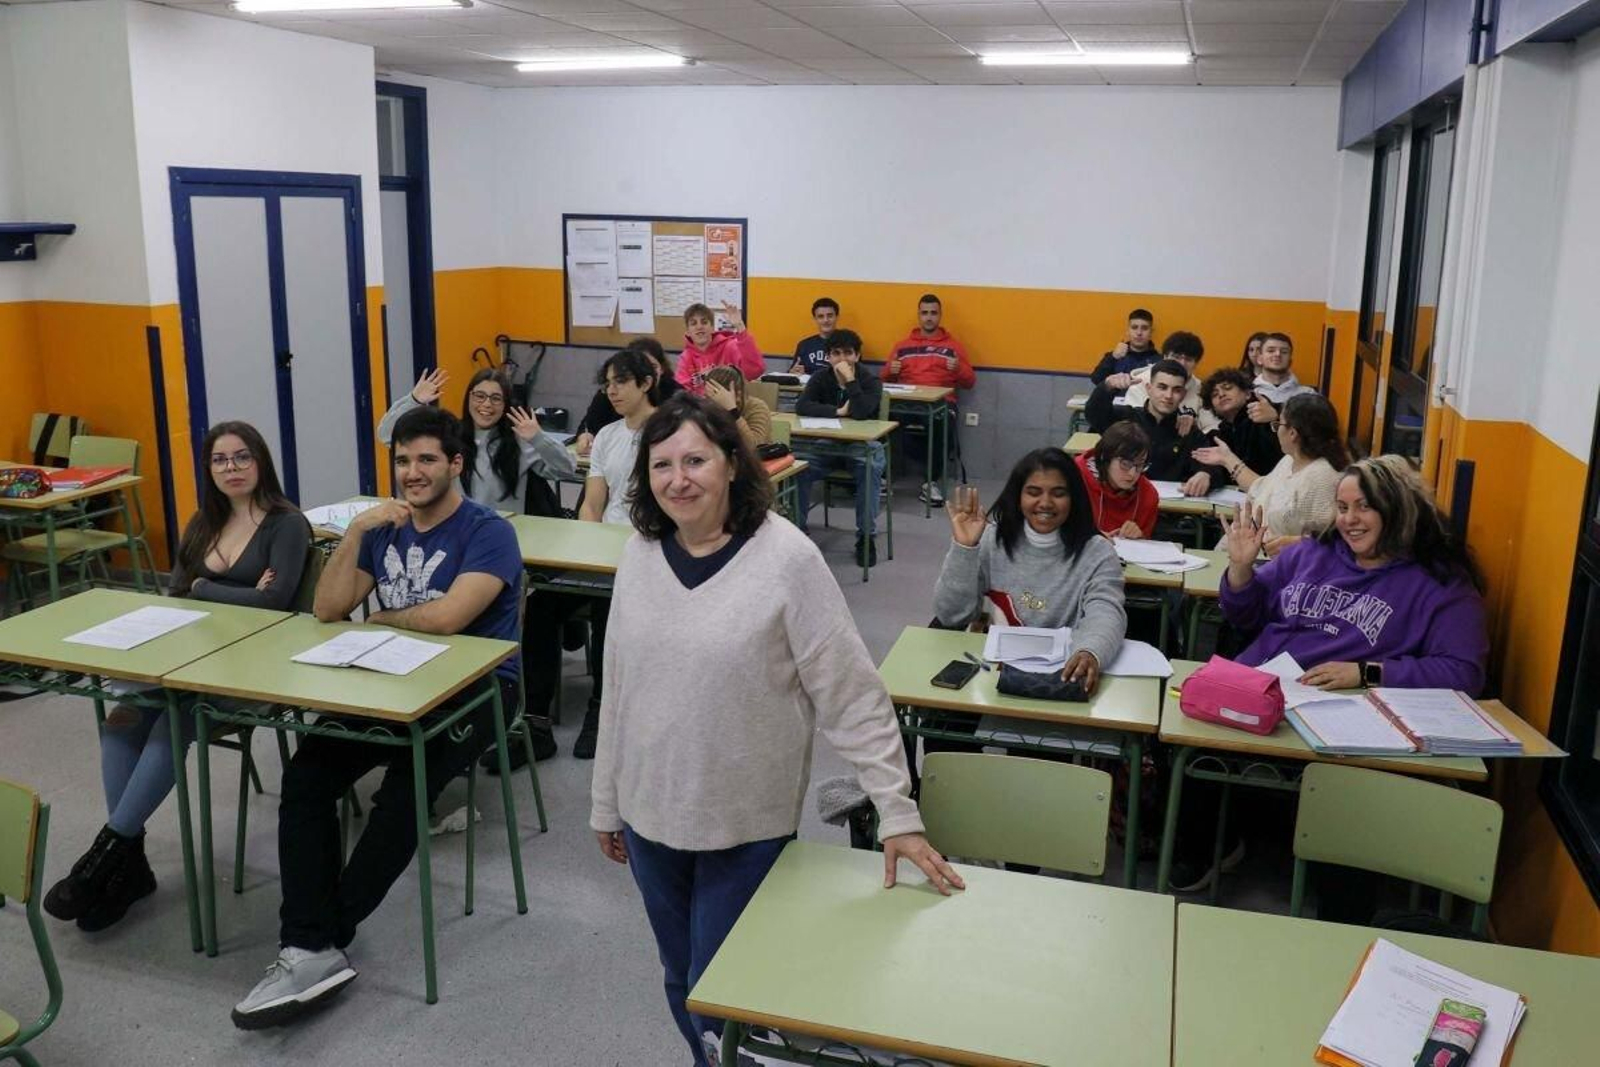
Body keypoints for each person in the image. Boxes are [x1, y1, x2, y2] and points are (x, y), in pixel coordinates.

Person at [591, 394, 961, 1067]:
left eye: (696, 460)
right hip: (650, 818)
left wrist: (897, 811)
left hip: (746, 824)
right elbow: (618, 687)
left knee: (723, 992)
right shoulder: (640, 555)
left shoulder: (785, 557)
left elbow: (851, 692)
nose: (678, 479)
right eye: (662, 464)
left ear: (732, 463)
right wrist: (605, 803)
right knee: (681, 979)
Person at [232, 406, 523, 1030]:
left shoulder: (488, 531)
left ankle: (320, 936)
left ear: (456, 464)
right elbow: (328, 608)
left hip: (479, 689)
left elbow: (448, 618)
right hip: (390, 681)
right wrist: (358, 531)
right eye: (403, 460)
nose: (412, 472)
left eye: (427, 459)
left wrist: (384, 619)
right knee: (307, 777)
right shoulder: (384, 528)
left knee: (403, 791)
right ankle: (309, 945)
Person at [43, 422, 311, 933]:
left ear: (261, 461)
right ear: (208, 469)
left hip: (251, 669)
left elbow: (274, 603)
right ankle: (129, 866)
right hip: (189, 656)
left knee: (173, 723)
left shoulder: (286, 524)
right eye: (220, 460)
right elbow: (177, 594)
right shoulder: (203, 522)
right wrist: (233, 591)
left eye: (242, 457)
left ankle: (106, 857)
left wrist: (207, 587)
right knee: (121, 721)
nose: (231, 468)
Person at [1220, 455, 1488, 692]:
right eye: (1342, 507)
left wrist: (1367, 673)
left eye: (1364, 506)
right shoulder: (1311, 553)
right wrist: (1240, 569)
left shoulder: (1441, 584)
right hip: (1251, 685)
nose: (1349, 519)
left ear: (1398, 512)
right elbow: (1244, 617)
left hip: (1325, 712)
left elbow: (1464, 673)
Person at [520, 348, 663, 764]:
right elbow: (592, 502)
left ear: (646, 383)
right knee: (541, 605)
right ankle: (534, 722)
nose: (611, 391)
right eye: (608, 384)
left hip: (648, 553)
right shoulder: (608, 436)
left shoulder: (668, 433)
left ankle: (601, 710)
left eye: (621, 382)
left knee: (606, 609)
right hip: (604, 551)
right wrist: (589, 547)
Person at [934, 448, 1126, 675]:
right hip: (994, 673)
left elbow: (1105, 612)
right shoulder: (991, 539)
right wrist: (964, 548)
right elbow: (951, 616)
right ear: (1018, 497)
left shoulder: (1098, 553)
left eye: (1058, 493)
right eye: (1033, 492)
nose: (1045, 503)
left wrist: (1090, 651)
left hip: (1064, 675)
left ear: (1074, 498)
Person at [379, 366, 576, 512]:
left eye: (496, 398)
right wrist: (413, 400)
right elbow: (387, 434)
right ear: (469, 398)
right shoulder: (447, 433)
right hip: (452, 532)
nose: (486, 404)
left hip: (500, 535)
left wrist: (538, 438)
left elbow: (566, 469)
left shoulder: (519, 441)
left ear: (506, 404)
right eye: (479, 396)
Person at [1196, 393, 1348, 555]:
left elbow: (1332, 541)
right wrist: (1227, 459)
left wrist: (1297, 543)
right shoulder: (1289, 461)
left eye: (1278, 425)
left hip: (1284, 564)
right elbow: (1260, 487)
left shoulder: (1324, 478)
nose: (1276, 431)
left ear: (1292, 433)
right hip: (1251, 555)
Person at [794, 329, 886, 567]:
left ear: (858, 355)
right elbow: (802, 406)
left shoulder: (870, 381)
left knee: (870, 469)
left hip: (861, 446)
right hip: (826, 445)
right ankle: (796, 531)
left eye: (848, 353)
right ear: (828, 357)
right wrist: (837, 412)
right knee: (797, 468)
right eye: (836, 353)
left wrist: (851, 382)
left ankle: (866, 537)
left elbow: (863, 411)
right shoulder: (820, 378)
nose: (842, 359)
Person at [884, 293, 975, 506]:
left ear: (940, 315)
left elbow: (970, 382)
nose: (929, 317)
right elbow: (884, 378)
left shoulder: (954, 347)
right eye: (924, 313)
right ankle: (882, 477)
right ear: (918, 315)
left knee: (942, 424)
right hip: (906, 402)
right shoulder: (902, 346)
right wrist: (890, 370)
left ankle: (931, 482)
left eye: (933, 313)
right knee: (882, 421)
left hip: (941, 402)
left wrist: (958, 368)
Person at [1102, 359, 1224, 494]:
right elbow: (1094, 413)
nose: (1168, 396)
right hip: (1124, 500)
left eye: (1176, 390)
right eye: (1162, 387)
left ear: (1183, 395)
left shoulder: (1188, 430)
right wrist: (1107, 387)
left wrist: (1206, 474)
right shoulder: (1126, 418)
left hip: (1171, 505)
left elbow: (1214, 465)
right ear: (1149, 389)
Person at [574, 337, 682, 455]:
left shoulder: (677, 396)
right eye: (639, 368)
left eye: (653, 366)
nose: (611, 391)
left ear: (662, 368)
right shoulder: (609, 393)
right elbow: (589, 425)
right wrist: (584, 437)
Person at [1108, 330, 1218, 434]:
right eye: (1176, 357)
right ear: (1165, 357)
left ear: (1196, 364)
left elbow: (1211, 426)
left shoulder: (1201, 389)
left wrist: (1194, 426)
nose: (1182, 364)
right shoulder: (1141, 381)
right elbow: (1131, 422)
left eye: (1188, 359)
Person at [1076, 422, 1159, 539]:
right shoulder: (1075, 478)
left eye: (1140, 465)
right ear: (1105, 457)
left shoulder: (1148, 496)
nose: (1132, 474)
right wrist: (1090, 536)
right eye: (1125, 464)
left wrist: (1140, 537)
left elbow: (1146, 545)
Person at [1199, 367, 1282, 481]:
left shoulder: (1266, 418)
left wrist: (1276, 419)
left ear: (1247, 394)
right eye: (1214, 394)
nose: (1221, 394)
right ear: (1213, 407)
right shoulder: (1218, 435)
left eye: (1227, 388)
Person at [675, 302, 763, 393]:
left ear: (712, 328)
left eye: (704, 322)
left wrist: (740, 326)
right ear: (688, 332)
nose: (699, 327)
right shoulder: (686, 357)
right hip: (698, 402)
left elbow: (754, 372)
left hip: (730, 400)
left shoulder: (729, 347)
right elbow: (681, 391)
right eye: (693, 324)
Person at [1245, 332, 1317, 424]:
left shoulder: (1308, 394)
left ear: (1290, 361)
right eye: (1271, 351)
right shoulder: (1247, 393)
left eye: (1284, 352)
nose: (1278, 354)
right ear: (1260, 359)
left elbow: (1317, 427)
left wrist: (1277, 415)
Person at [701, 364, 773, 449]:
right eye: (708, 395)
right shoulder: (706, 407)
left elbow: (754, 447)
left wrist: (732, 410)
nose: (711, 401)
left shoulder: (756, 407)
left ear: (738, 394)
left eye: (715, 395)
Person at [1088, 308, 1160, 387]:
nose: (1139, 333)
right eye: (1134, 327)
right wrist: (1113, 357)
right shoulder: (1114, 357)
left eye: (1144, 328)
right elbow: (1096, 380)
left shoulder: (1159, 360)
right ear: (1128, 331)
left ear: (1151, 332)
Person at [789, 296, 840, 375]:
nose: (826, 320)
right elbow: (793, 372)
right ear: (815, 319)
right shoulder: (804, 345)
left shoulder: (848, 344)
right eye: (820, 316)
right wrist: (793, 372)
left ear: (837, 317)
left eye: (830, 316)